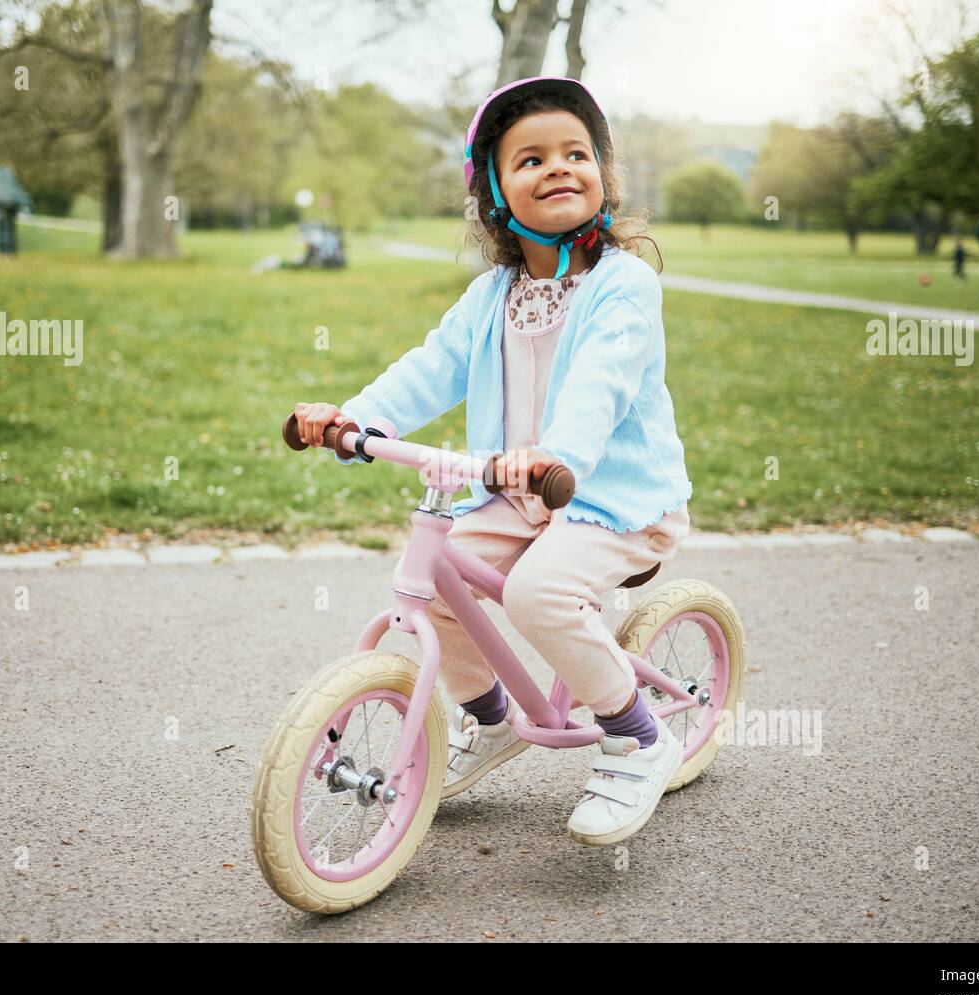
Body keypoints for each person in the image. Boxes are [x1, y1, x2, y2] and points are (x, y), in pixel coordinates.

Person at [291, 77, 693, 847]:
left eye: (576, 153)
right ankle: (491, 720)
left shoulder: (624, 287)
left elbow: (600, 382)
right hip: (520, 491)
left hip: (613, 499)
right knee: (440, 583)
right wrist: (354, 420)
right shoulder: (491, 295)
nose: (558, 168)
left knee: (542, 593)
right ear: (497, 198)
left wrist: (554, 456)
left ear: (603, 174)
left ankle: (638, 734)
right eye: (531, 159)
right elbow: (427, 367)